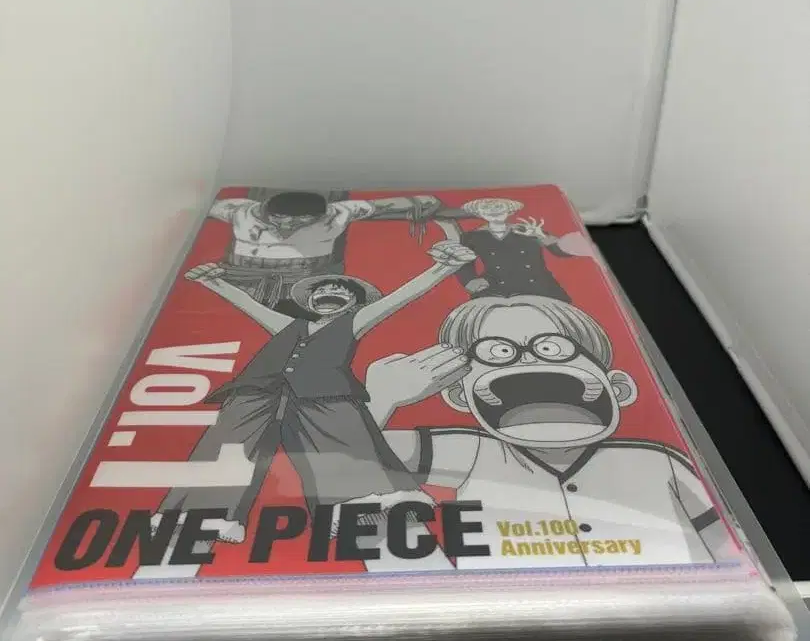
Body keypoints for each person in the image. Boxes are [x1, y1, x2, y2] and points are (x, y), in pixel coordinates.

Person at [365, 296, 738, 569]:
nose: (528, 361)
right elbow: (345, 457)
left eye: (551, 347)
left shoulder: (660, 463)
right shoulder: (473, 453)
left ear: (619, 388)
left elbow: (726, 548)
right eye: (498, 352)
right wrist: (379, 400)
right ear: (460, 396)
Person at [154, 239, 476, 545]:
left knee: (344, 438)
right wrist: (212, 282)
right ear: (309, 301)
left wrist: (443, 268)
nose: (330, 292)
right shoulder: (289, 326)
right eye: (322, 289)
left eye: (340, 290)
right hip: (258, 390)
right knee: (228, 443)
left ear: (354, 302)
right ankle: (198, 514)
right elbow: (249, 306)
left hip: (324, 393)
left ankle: (360, 502)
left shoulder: (352, 323)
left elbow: (398, 298)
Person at [208, 190, 457, 316]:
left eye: (301, 220)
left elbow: (393, 204)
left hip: (304, 284)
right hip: (243, 279)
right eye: (280, 219)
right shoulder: (239, 210)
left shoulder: (338, 213)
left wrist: (422, 203)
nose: (288, 226)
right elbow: (202, 205)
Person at [452, 198, 594, 302]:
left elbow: (561, 252)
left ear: (509, 211)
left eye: (499, 207)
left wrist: (541, 235)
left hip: (539, 287)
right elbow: (463, 262)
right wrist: (470, 280)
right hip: (497, 287)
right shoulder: (472, 236)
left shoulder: (529, 228)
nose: (494, 211)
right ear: (479, 213)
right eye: (487, 208)